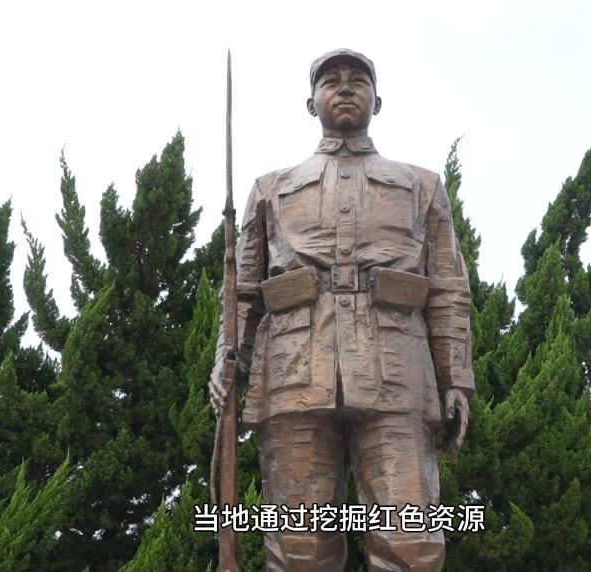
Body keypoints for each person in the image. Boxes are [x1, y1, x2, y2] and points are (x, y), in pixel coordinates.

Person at [209, 48, 474, 572]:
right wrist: (227, 357)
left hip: (398, 372)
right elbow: (243, 291)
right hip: (293, 373)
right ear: (311, 103)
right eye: (331, 80)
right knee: (299, 545)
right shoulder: (271, 188)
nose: (346, 87)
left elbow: (448, 287)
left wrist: (456, 381)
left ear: (379, 100)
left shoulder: (422, 186)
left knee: (411, 540)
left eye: (359, 79)